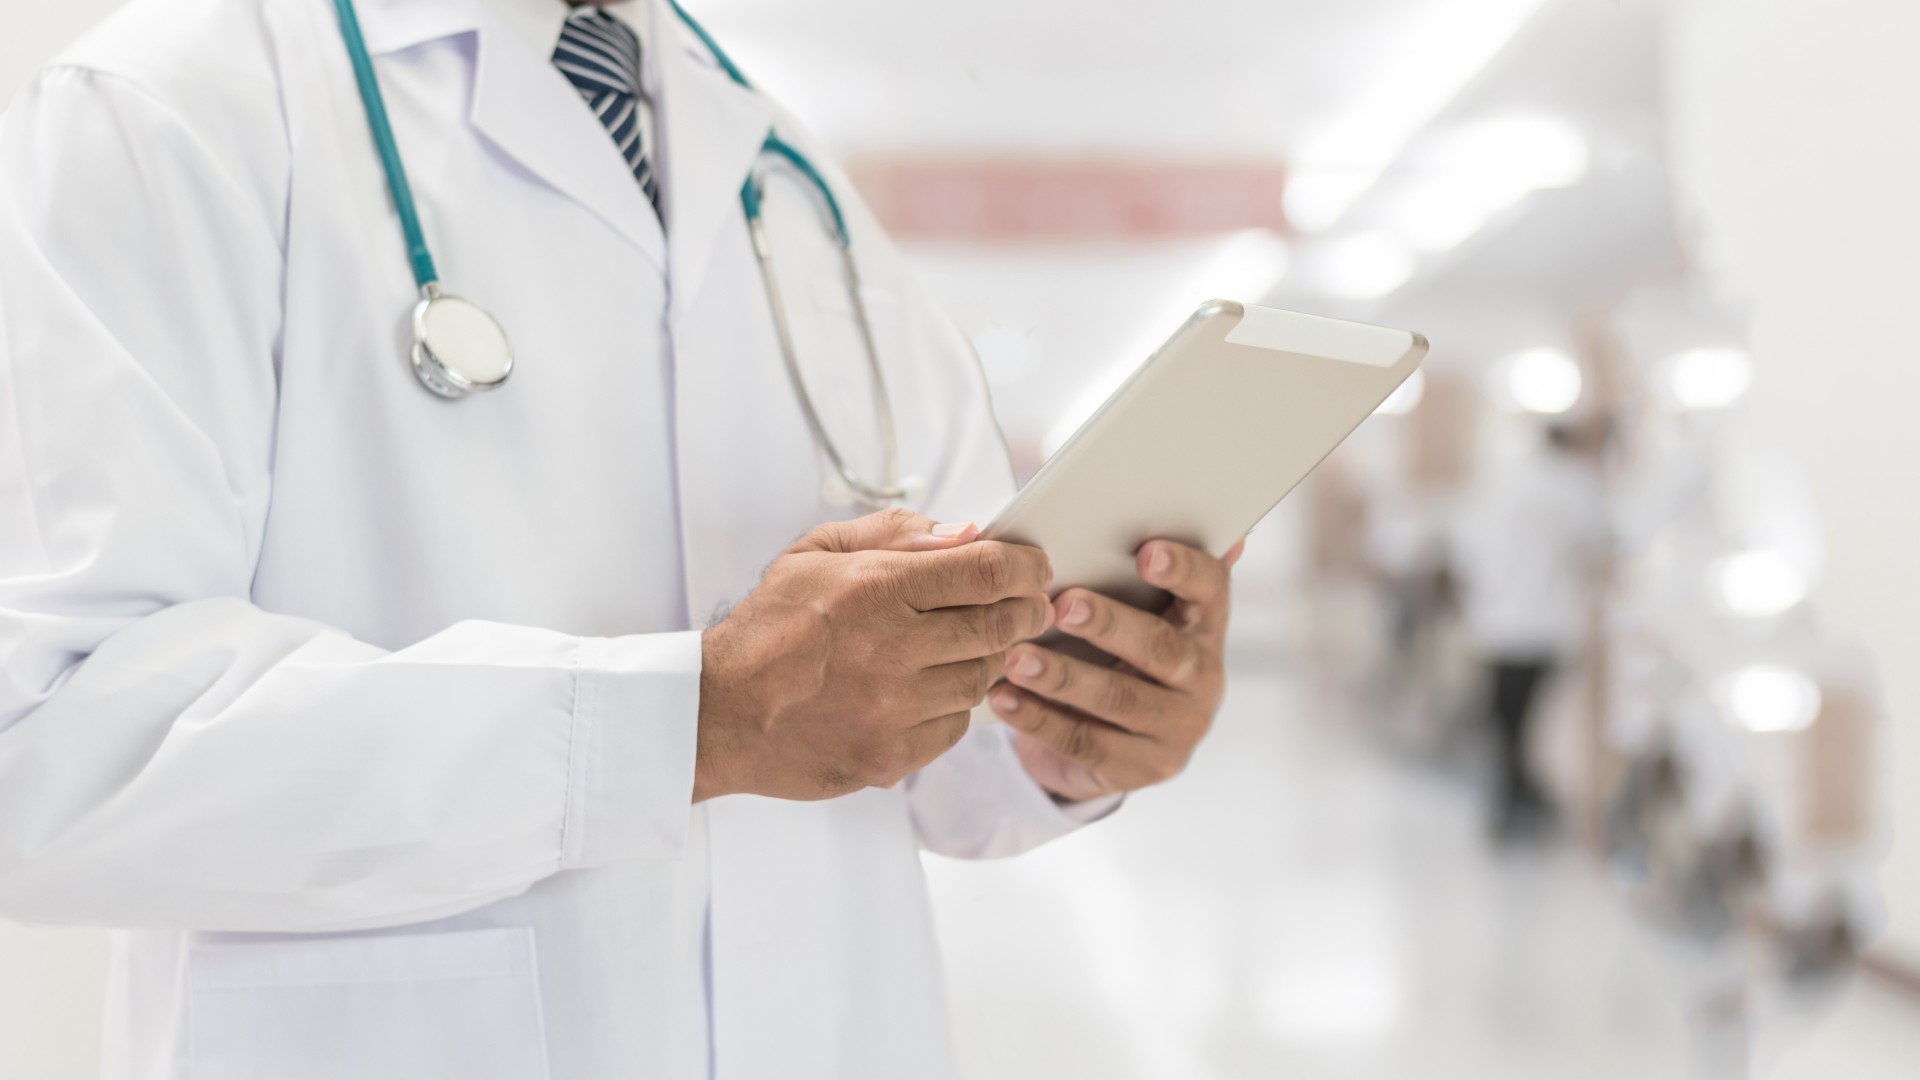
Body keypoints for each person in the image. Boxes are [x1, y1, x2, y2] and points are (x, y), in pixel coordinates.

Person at [0, 1, 1240, 1076]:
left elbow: (938, 752)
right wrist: (682, 721)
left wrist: (1073, 723)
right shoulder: (176, 102)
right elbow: (48, 744)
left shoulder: (785, 174)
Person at [1452, 422, 1608, 839]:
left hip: (1500, 622)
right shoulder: (1578, 487)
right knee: (1522, 721)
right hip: (1543, 623)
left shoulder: (1506, 483)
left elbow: (1467, 548)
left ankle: (1515, 795)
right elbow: (1599, 543)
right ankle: (1519, 795)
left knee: (1507, 720)